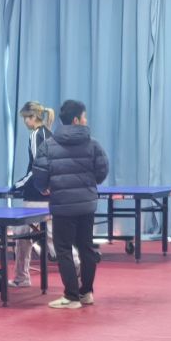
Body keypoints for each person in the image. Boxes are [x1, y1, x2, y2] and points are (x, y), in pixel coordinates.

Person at [31, 99, 108, 310]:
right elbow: (102, 170)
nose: (86, 120)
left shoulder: (48, 145)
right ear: (76, 120)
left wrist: (44, 188)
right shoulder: (93, 144)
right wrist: (90, 184)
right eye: (84, 116)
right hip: (86, 205)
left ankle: (71, 296)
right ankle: (86, 293)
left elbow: (40, 173)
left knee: (63, 249)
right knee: (86, 248)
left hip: (62, 206)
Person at [12, 100, 54, 286]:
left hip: (36, 195)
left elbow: (37, 167)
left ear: (33, 117)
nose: (24, 121)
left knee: (25, 235)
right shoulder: (49, 134)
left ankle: (22, 277)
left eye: (26, 118)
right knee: (47, 235)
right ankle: (21, 277)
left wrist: (17, 185)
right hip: (47, 194)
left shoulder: (36, 135)